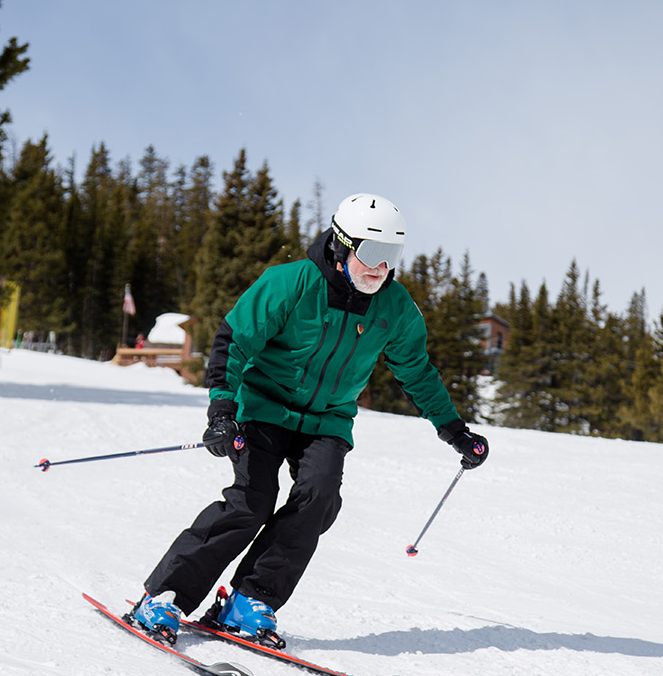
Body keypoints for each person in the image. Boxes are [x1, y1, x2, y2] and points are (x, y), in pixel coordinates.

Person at [131, 193, 488, 647]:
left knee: (318, 500)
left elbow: (416, 372)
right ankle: (165, 596)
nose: (379, 268)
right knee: (250, 504)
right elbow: (232, 342)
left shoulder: (395, 308)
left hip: (326, 420)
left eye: (391, 256)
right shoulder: (291, 283)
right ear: (341, 247)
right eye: (371, 253)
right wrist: (223, 409)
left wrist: (454, 431)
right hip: (261, 408)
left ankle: (249, 600)